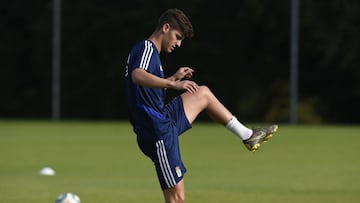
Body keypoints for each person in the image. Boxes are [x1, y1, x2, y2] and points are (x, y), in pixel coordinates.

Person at [125, 8, 278, 203]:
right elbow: (137, 75)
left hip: (162, 119)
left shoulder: (150, 53)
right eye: (177, 37)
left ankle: (248, 136)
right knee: (177, 199)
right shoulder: (146, 48)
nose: (178, 44)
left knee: (202, 94)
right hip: (157, 131)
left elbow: (146, 90)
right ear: (165, 28)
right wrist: (172, 83)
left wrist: (173, 78)